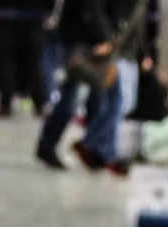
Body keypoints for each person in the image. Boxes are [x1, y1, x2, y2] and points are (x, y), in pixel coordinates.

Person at [37, 0, 124, 169]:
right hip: (80, 37)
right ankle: (48, 144)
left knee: (96, 97)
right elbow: (91, 6)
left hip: (87, 35)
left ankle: (93, 149)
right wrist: (102, 37)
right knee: (72, 96)